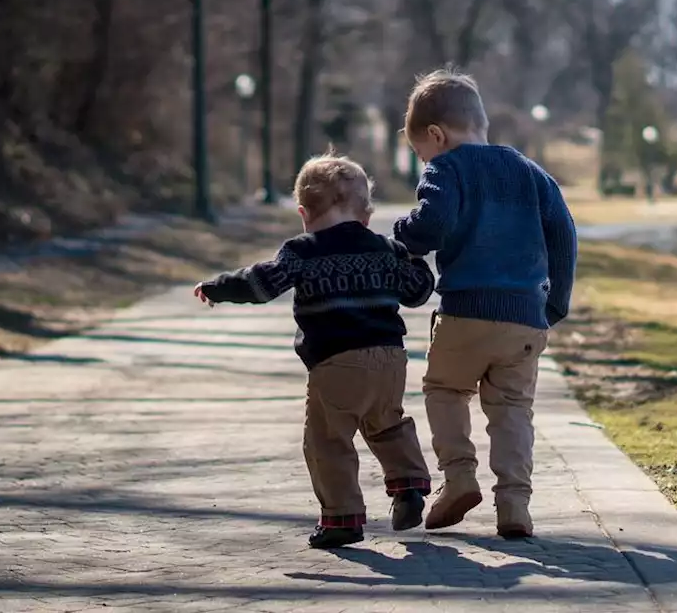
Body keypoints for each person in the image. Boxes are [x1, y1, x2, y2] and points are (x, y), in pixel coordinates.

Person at [194, 153, 436, 549]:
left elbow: (262, 283)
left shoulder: (302, 251)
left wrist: (220, 287)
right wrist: (416, 259)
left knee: (328, 440)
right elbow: (417, 292)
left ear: (303, 213)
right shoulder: (385, 249)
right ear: (366, 214)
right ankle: (408, 486)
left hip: (336, 362)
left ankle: (342, 518)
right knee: (387, 423)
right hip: (390, 359)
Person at [393, 68, 577, 539]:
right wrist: (554, 304)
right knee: (513, 408)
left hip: (465, 312)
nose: (423, 160)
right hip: (524, 319)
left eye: (420, 152)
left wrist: (402, 233)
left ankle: (458, 478)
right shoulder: (531, 173)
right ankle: (514, 505)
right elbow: (564, 235)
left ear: (437, 135)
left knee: (445, 390)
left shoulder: (446, 168)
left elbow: (431, 226)